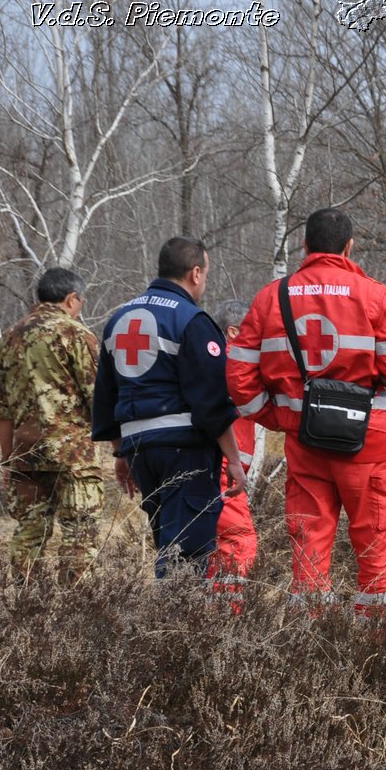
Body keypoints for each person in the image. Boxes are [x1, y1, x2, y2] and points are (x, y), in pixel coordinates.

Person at [226, 208, 386, 614]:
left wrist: (279, 418)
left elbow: (239, 378)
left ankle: (310, 641)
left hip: (304, 443)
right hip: (364, 443)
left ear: (305, 246)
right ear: (349, 247)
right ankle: (380, 638)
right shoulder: (373, 294)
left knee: (308, 540)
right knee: (376, 538)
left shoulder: (270, 298)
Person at [93, 237, 246, 578]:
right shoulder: (191, 320)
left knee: (167, 542)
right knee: (186, 554)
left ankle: (167, 624)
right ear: (195, 273)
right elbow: (212, 400)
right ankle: (175, 629)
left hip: (140, 453)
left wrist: (120, 454)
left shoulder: (118, 319)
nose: (204, 281)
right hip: (184, 451)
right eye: (205, 273)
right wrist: (234, 460)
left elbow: (105, 396)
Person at [0, 267, 104, 582]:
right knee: (80, 534)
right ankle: (76, 613)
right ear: (71, 299)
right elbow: (99, 400)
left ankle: (27, 611)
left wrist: (7, 459)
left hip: (24, 453)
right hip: (74, 457)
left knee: (29, 533)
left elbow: (2, 409)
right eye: (81, 303)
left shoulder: (9, 337)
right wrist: (121, 447)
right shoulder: (78, 335)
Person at [209, 299, 264, 609]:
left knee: (214, 546)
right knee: (238, 542)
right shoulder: (233, 366)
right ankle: (225, 619)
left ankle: (207, 613)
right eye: (253, 332)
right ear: (233, 332)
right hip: (224, 471)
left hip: (217, 467)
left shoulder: (212, 361)